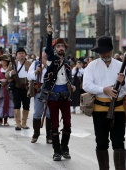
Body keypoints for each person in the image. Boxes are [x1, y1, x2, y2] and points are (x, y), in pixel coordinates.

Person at [82, 36, 126, 170]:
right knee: (101, 143)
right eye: (101, 52)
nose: (103, 54)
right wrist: (103, 89)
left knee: (118, 143)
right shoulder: (92, 66)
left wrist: (122, 82)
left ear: (111, 50)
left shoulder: (120, 65)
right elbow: (86, 85)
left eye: (105, 51)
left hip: (118, 109)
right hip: (99, 109)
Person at [39, 24, 76, 161]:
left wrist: (72, 86)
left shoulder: (67, 62)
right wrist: (49, 35)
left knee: (67, 123)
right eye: (58, 46)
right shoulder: (51, 59)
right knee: (55, 125)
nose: (61, 48)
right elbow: (47, 49)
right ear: (55, 49)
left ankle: (64, 148)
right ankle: (56, 151)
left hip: (65, 97)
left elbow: (69, 78)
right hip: (53, 98)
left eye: (62, 46)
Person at [27, 47, 52, 144]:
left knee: (49, 114)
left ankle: (49, 135)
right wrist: (37, 71)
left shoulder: (52, 63)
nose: (45, 54)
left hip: (50, 91)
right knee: (37, 113)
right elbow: (29, 76)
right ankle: (36, 133)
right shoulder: (35, 63)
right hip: (39, 90)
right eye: (44, 52)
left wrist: (47, 67)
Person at [5, 48, 32, 130]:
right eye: (19, 53)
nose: (21, 54)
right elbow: (6, 74)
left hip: (26, 87)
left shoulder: (29, 63)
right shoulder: (13, 64)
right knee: (17, 105)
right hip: (16, 87)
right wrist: (11, 73)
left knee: (26, 105)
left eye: (23, 53)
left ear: (25, 55)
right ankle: (18, 123)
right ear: (16, 55)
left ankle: (24, 123)